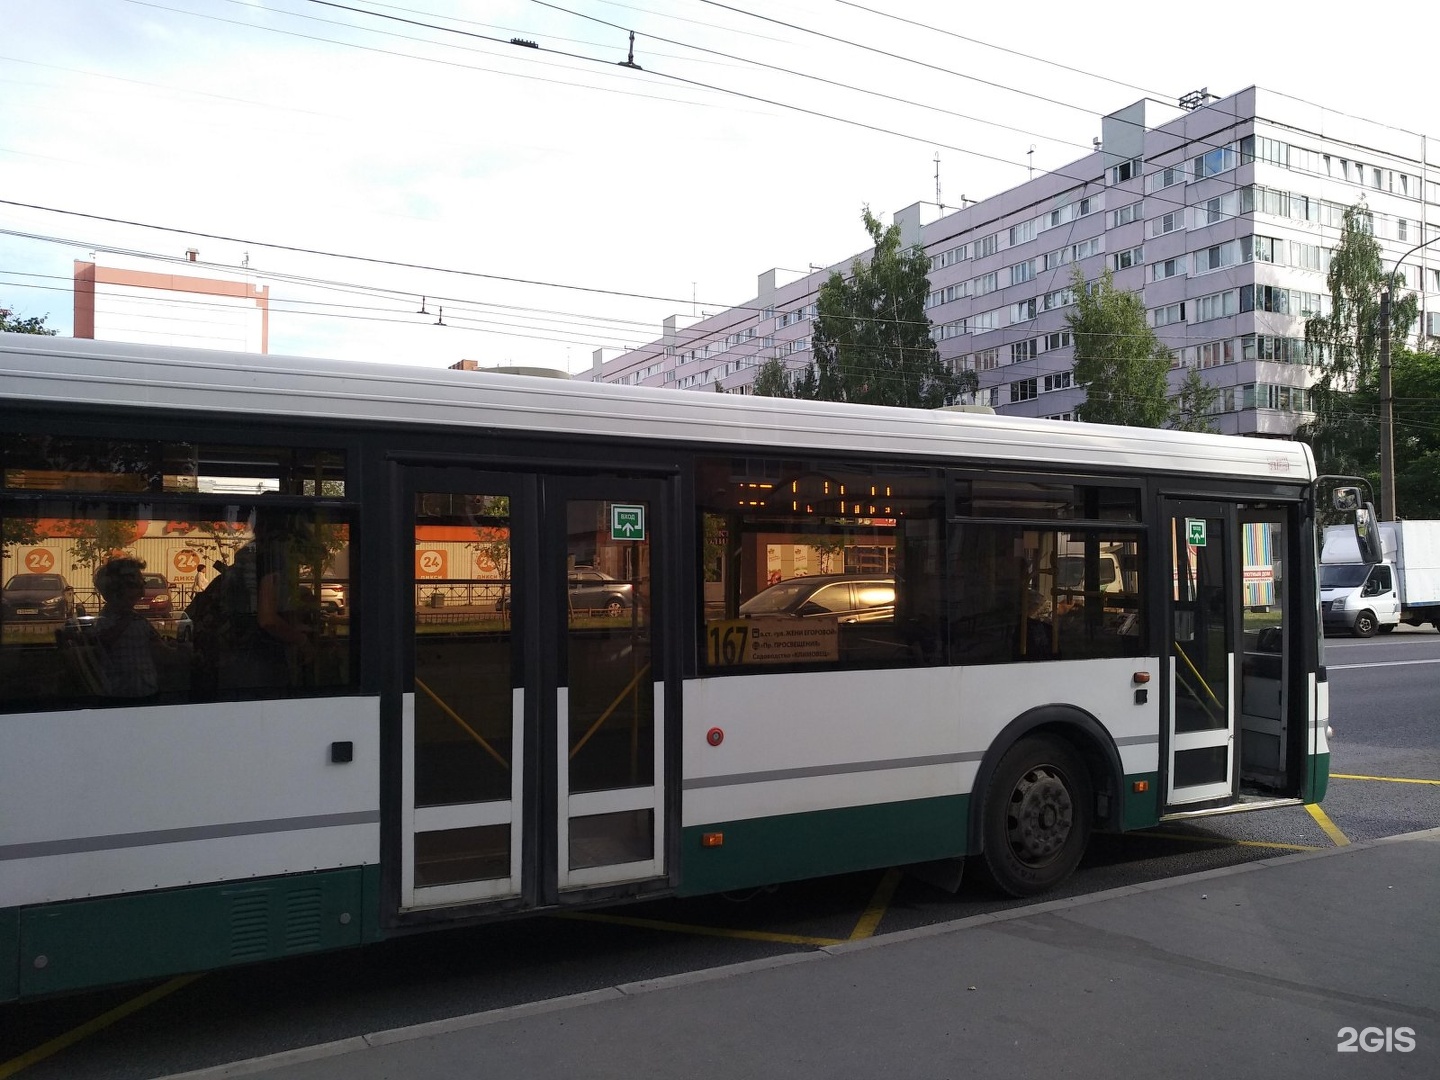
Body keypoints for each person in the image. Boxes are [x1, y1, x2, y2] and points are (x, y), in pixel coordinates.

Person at [91, 556, 163, 700]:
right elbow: (162, 652)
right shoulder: (123, 621)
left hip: (133, 693)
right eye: (136, 585)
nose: (142, 593)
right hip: (132, 696)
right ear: (117, 589)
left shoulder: (133, 619)